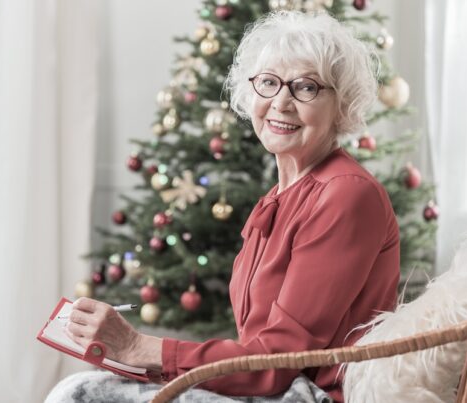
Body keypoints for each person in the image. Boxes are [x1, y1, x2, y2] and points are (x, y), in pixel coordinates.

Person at [47, 10, 400, 403]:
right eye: (268, 83)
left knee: (79, 394)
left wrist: (138, 347)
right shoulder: (277, 198)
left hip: (314, 395)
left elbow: (282, 360)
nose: (281, 102)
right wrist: (135, 356)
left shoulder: (347, 193)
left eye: (306, 87)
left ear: (342, 104)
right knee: (82, 389)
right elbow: (260, 349)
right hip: (275, 387)